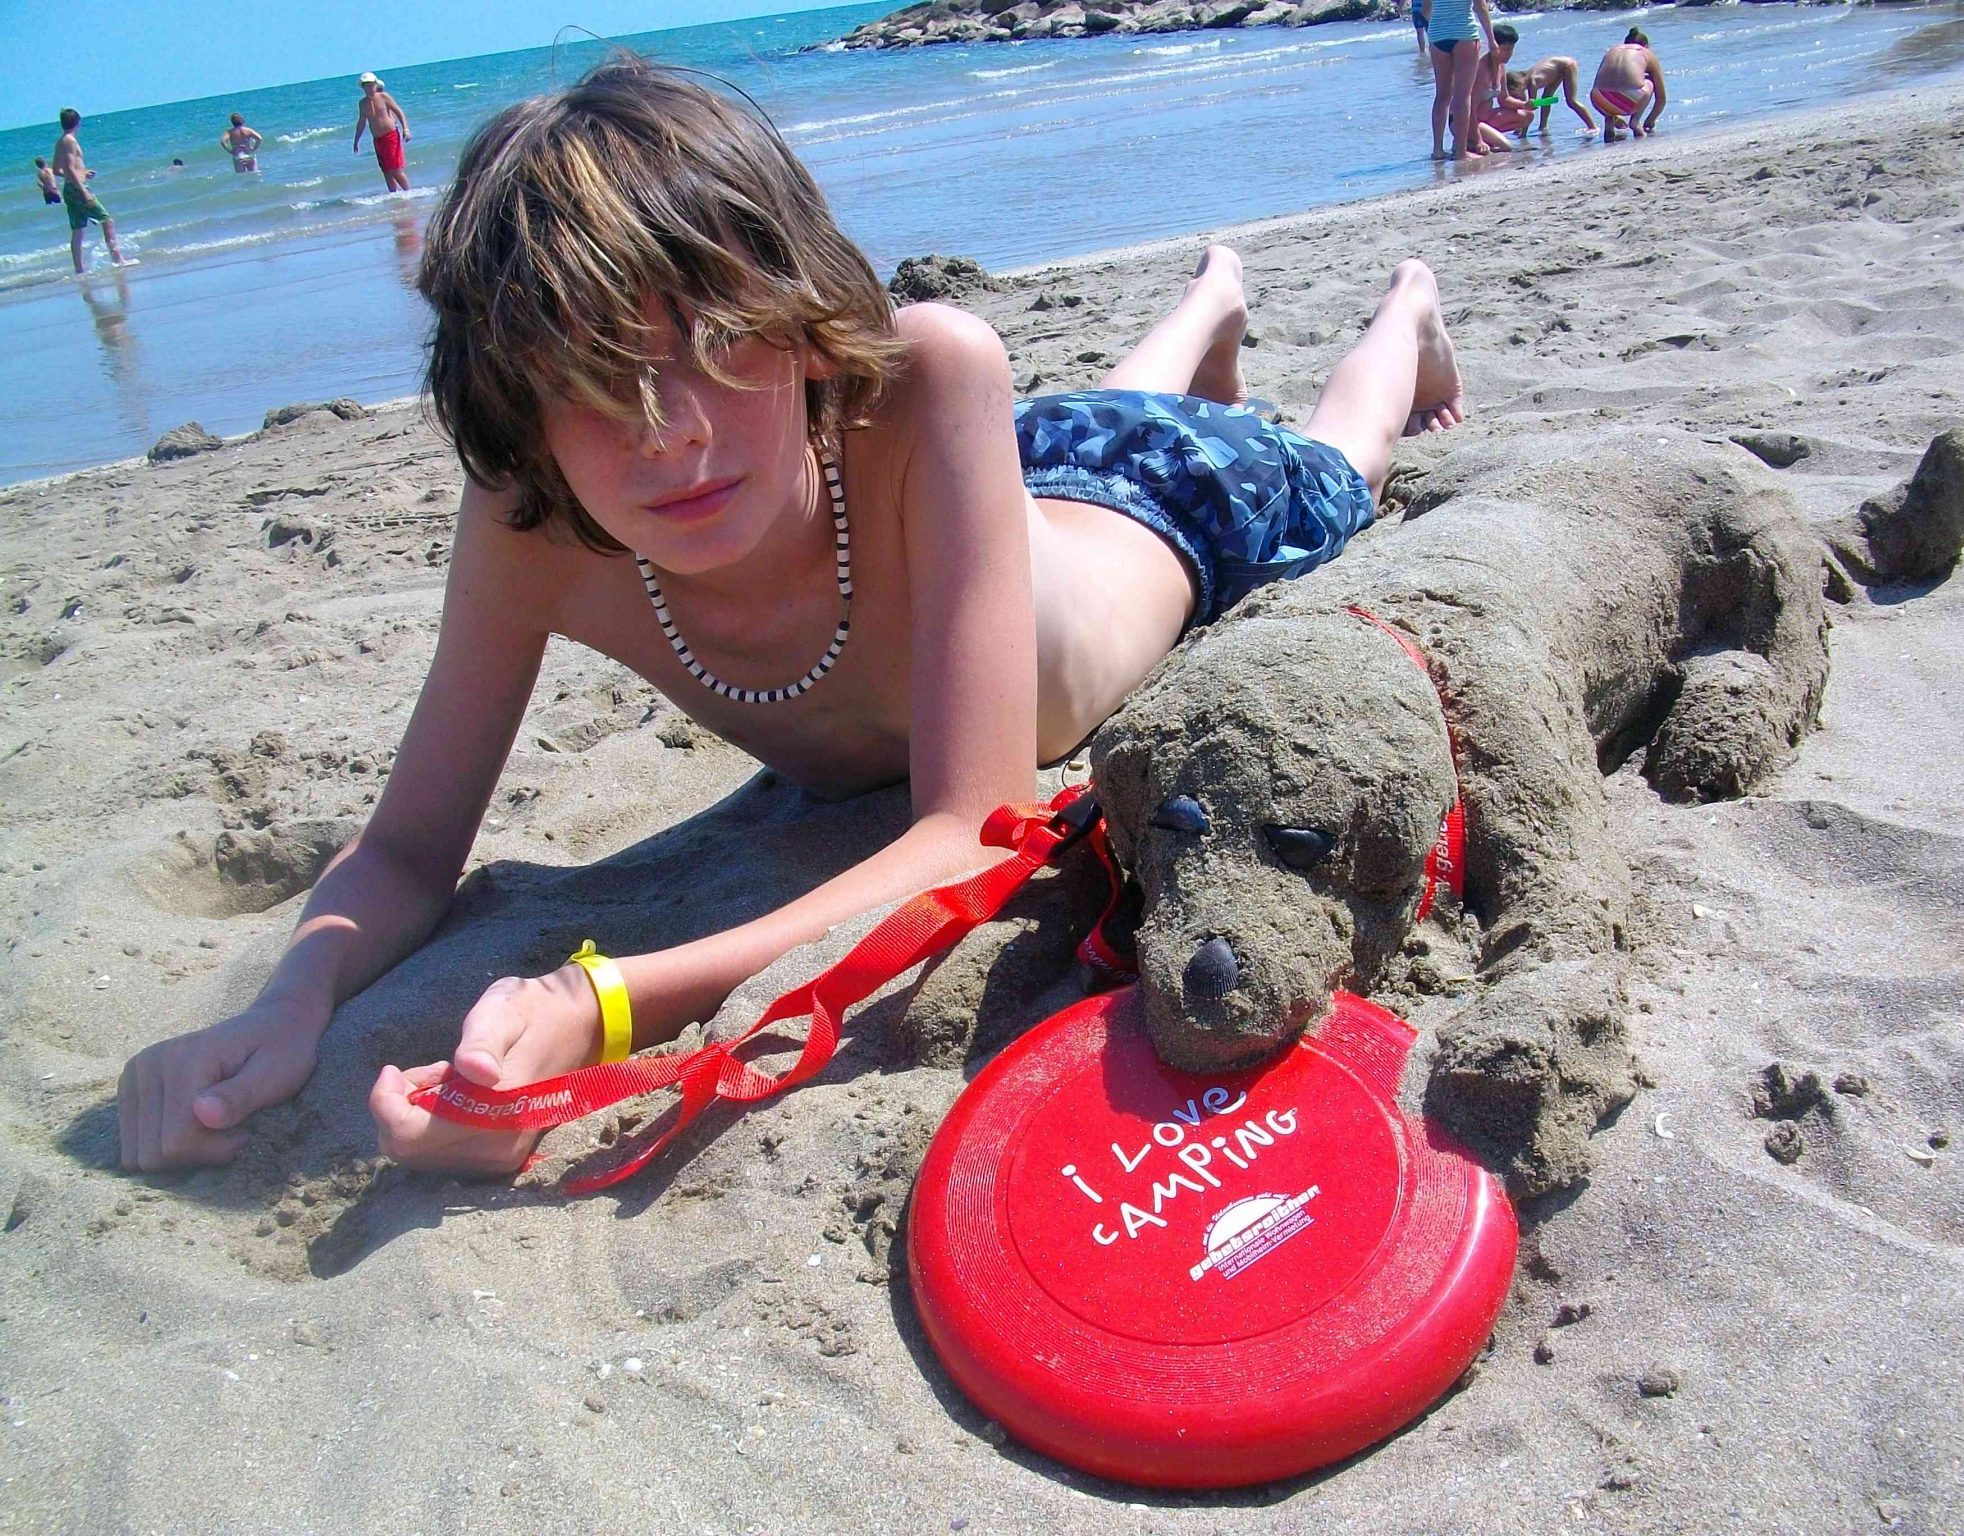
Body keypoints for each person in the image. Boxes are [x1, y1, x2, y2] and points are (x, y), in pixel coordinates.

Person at [115, 57, 1469, 1176]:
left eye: (716, 342)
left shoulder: (930, 370)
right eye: (594, 380)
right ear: (517, 408)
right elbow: (410, 849)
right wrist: (287, 1005)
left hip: (1159, 515)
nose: (671, 436)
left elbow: (967, 831)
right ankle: (1208, 301)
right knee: (1095, 416)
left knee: (1339, 457)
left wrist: (609, 1001)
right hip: (1013, 489)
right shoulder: (529, 516)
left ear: (809, 321)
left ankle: (1402, 313)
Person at [52, 108, 129, 274]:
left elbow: (57, 170)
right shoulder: (70, 141)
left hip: (69, 189)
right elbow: (71, 168)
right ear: (77, 123)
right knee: (107, 221)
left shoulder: (60, 141)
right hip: (78, 189)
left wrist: (83, 173)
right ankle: (117, 260)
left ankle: (79, 269)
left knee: (78, 230)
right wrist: (84, 191)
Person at [1427, 0, 1499, 163]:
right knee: (1462, 96)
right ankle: (1461, 151)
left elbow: (1425, 9)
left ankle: (1437, 149)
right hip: (1464, 33)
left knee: (1442, 96)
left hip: (1437, 34)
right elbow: (1480, 7)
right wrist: (1492, 39)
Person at [1591, 27, 1666, 144]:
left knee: (1613, 81)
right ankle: (1635, 122)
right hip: (1631, 99)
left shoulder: (1612, 50)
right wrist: (1650, 121)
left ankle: (1609, 122)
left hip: (1599, 99)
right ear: (1645, 45)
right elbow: (1661, 98)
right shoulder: (1645, 53)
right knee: (1649, 81)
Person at [352, 72, 412, 192]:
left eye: (372, 85)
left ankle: (409, 192)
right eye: (367, 86)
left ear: (376, 85)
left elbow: (399, 111)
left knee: (395, 169)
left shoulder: (384, 97)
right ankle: (394, 196)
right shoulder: (362, 103)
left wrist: (406, 129)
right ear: (363, 88)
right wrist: (356, 140)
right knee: (386, 171)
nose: (370, 88)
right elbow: (362, 122)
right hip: (378, 140)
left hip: (391, 136)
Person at [1517, 53, 1598, 135]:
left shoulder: (1532, 82)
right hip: (1557, 69)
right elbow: (1527, 105)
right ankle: (1543, 126)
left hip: (1567, 66)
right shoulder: (1523, 81)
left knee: (1571, 101)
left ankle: (1592, 127)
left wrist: (1523, 134)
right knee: (1546, 98)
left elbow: (1531, 108)